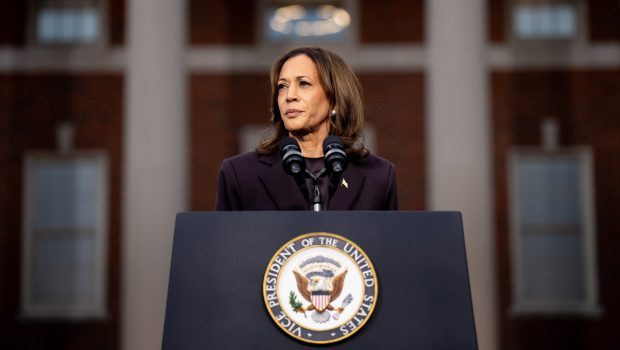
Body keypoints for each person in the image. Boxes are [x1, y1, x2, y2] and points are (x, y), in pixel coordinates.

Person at [216, 47, 398, 211]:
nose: (289, 96)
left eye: (303, 83)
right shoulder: (239, 174)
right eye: (282, 87)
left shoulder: (379, 176)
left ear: (334, 98)